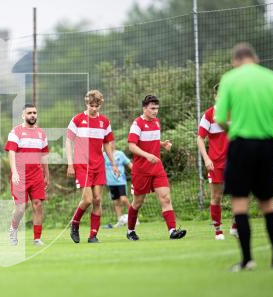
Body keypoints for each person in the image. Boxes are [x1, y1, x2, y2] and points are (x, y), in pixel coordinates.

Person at [215, 42, 273, 271]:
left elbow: (220, 118)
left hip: (240, 144)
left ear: (235, 61)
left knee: (240, 204)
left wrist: (233, 128)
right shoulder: (272, 77)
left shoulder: (230, 79)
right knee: (268, 203)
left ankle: (247, 260)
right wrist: (272, 125)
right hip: (266, 145)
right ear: (256, 59)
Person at [126, 95, 187, 241]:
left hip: (157, 167)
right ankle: (130, 231)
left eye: (157, 109)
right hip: (141, 170)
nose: (155, 111)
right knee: (137, 203)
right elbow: (132, 146)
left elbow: (149, 141)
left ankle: (172, 231)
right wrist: (147, 155)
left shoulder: (157, 122)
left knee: (165, 198)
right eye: (152, 108)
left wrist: (161, 144)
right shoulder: (137, 124)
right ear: (144, 108)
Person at [66, 90, 119, 244]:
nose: (94, 108)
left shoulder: (105, 122)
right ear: (86, 103)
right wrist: (70, 163)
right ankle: (75, 223)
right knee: (88, 199)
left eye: (97, 106)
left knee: (97, 200)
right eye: (91, 105)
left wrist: (114, 164)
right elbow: (69, 142)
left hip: (99, 165)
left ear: (100, 105)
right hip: (82, 165)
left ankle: (93, 235)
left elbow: (107, 144)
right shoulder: (77, 119)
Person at [5, 104, 50, 246]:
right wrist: (14, 172)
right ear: (23, 115)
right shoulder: (16, 132)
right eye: (29, 113)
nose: (32, 115)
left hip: (37, 175)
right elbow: (11, 152)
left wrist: (47, 175)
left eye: (35, 113)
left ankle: (37, 238)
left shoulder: (41, 133)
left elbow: (44, 156)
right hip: (20, 175)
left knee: (38, 205)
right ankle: (13, 229)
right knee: (21, 207)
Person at [197, 84, 237, 240]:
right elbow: (200, 138)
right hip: (215, 163)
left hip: (235, 161)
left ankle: (235, 226)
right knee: (216, 197)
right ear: (215, 97)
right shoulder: (209, 114)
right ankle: (218, 231)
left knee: (239, 194)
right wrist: (206, 158)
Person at [103, 140, 133, 227]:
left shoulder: (120, 154)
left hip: (121, 181)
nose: (110, 144)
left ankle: (134, 217)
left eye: (111, 143)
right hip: (111, 183)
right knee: (116, 202)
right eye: (108, 143)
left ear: (114, 143)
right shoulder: (104, 155)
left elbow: (129, 164)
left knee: (123, 199)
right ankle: (120, 220)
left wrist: (137, 172)